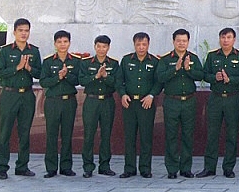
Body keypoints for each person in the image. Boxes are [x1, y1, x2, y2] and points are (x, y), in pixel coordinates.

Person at [197, 28, 239, 178]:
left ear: (234, 40)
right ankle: (209, 167)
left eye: (229, 37)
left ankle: (228, 167)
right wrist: (215, 77)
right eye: (223, 37)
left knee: (232, 133)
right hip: (216, 98)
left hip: (233, 98)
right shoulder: (213, 56)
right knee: (212, 133)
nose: (226, 40)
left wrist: (229, 80)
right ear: (219, 39)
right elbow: (204, 74)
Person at [0, 18, 42, 180]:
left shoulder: (34, 51)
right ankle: (1, 167)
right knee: (5, 131)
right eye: (20, 30)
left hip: (27, 95)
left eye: (26, 30)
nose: (23, 33)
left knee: (25, 131)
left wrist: (29, 68)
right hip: (9, 94)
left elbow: (40, 74)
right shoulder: (6, 51)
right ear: (14, 32)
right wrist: (17, 68)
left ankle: (22, 166)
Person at [157, 28, 204, 179]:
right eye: (179, 41)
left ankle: (186, 168)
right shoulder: (165, 60)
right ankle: (171, 169)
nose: (181, 43)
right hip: (172, 101)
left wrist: (188, 68)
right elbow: (160, 77)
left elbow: (200, 75)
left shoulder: (193, 58)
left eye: (184, 41)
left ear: (188, 42)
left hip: (189, 101)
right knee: (171, 135)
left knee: (187, 135)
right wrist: (175, 69)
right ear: (173, 42)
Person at [117, 32, 161, 179]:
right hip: (129, 104)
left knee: (146, 137)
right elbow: (119, 80)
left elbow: (158, 82)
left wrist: (151, 95)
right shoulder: (126, 60)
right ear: (134, 44)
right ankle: (129, 168)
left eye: (144, 44)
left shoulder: (154, 61)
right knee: (129, 137)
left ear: (148, 44)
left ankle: (145, 168)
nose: (141, 47)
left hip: (146, 104)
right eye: (138, 44)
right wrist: (122, 94)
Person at [40, 29, 80, 178]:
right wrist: (58, 77)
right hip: (52, 102)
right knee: (51, 134)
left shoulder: (75, 61)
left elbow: (78, 80)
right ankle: (51, 167)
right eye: (59, 42)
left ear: (69, 43)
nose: (63, 45)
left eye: (65, 41)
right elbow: (44, 82)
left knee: (67, 134)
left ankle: (66, 166)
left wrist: (67, 75)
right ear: (55, 43)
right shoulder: (49, 61)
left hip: (69, 101)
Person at [79, 34, 119, 178]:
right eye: (99, 46)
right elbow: (82, 80)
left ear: (108, 47)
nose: (101, 49)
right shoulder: (86, 63)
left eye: (104, 46)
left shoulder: (114, 64)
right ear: (95, 46)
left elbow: (116, 83)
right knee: (89, 134)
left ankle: (105, 165)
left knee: (106, 134)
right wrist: (96, 76)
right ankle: (88, 166)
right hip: (91, 101)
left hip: (107, 101)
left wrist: (106, 76)